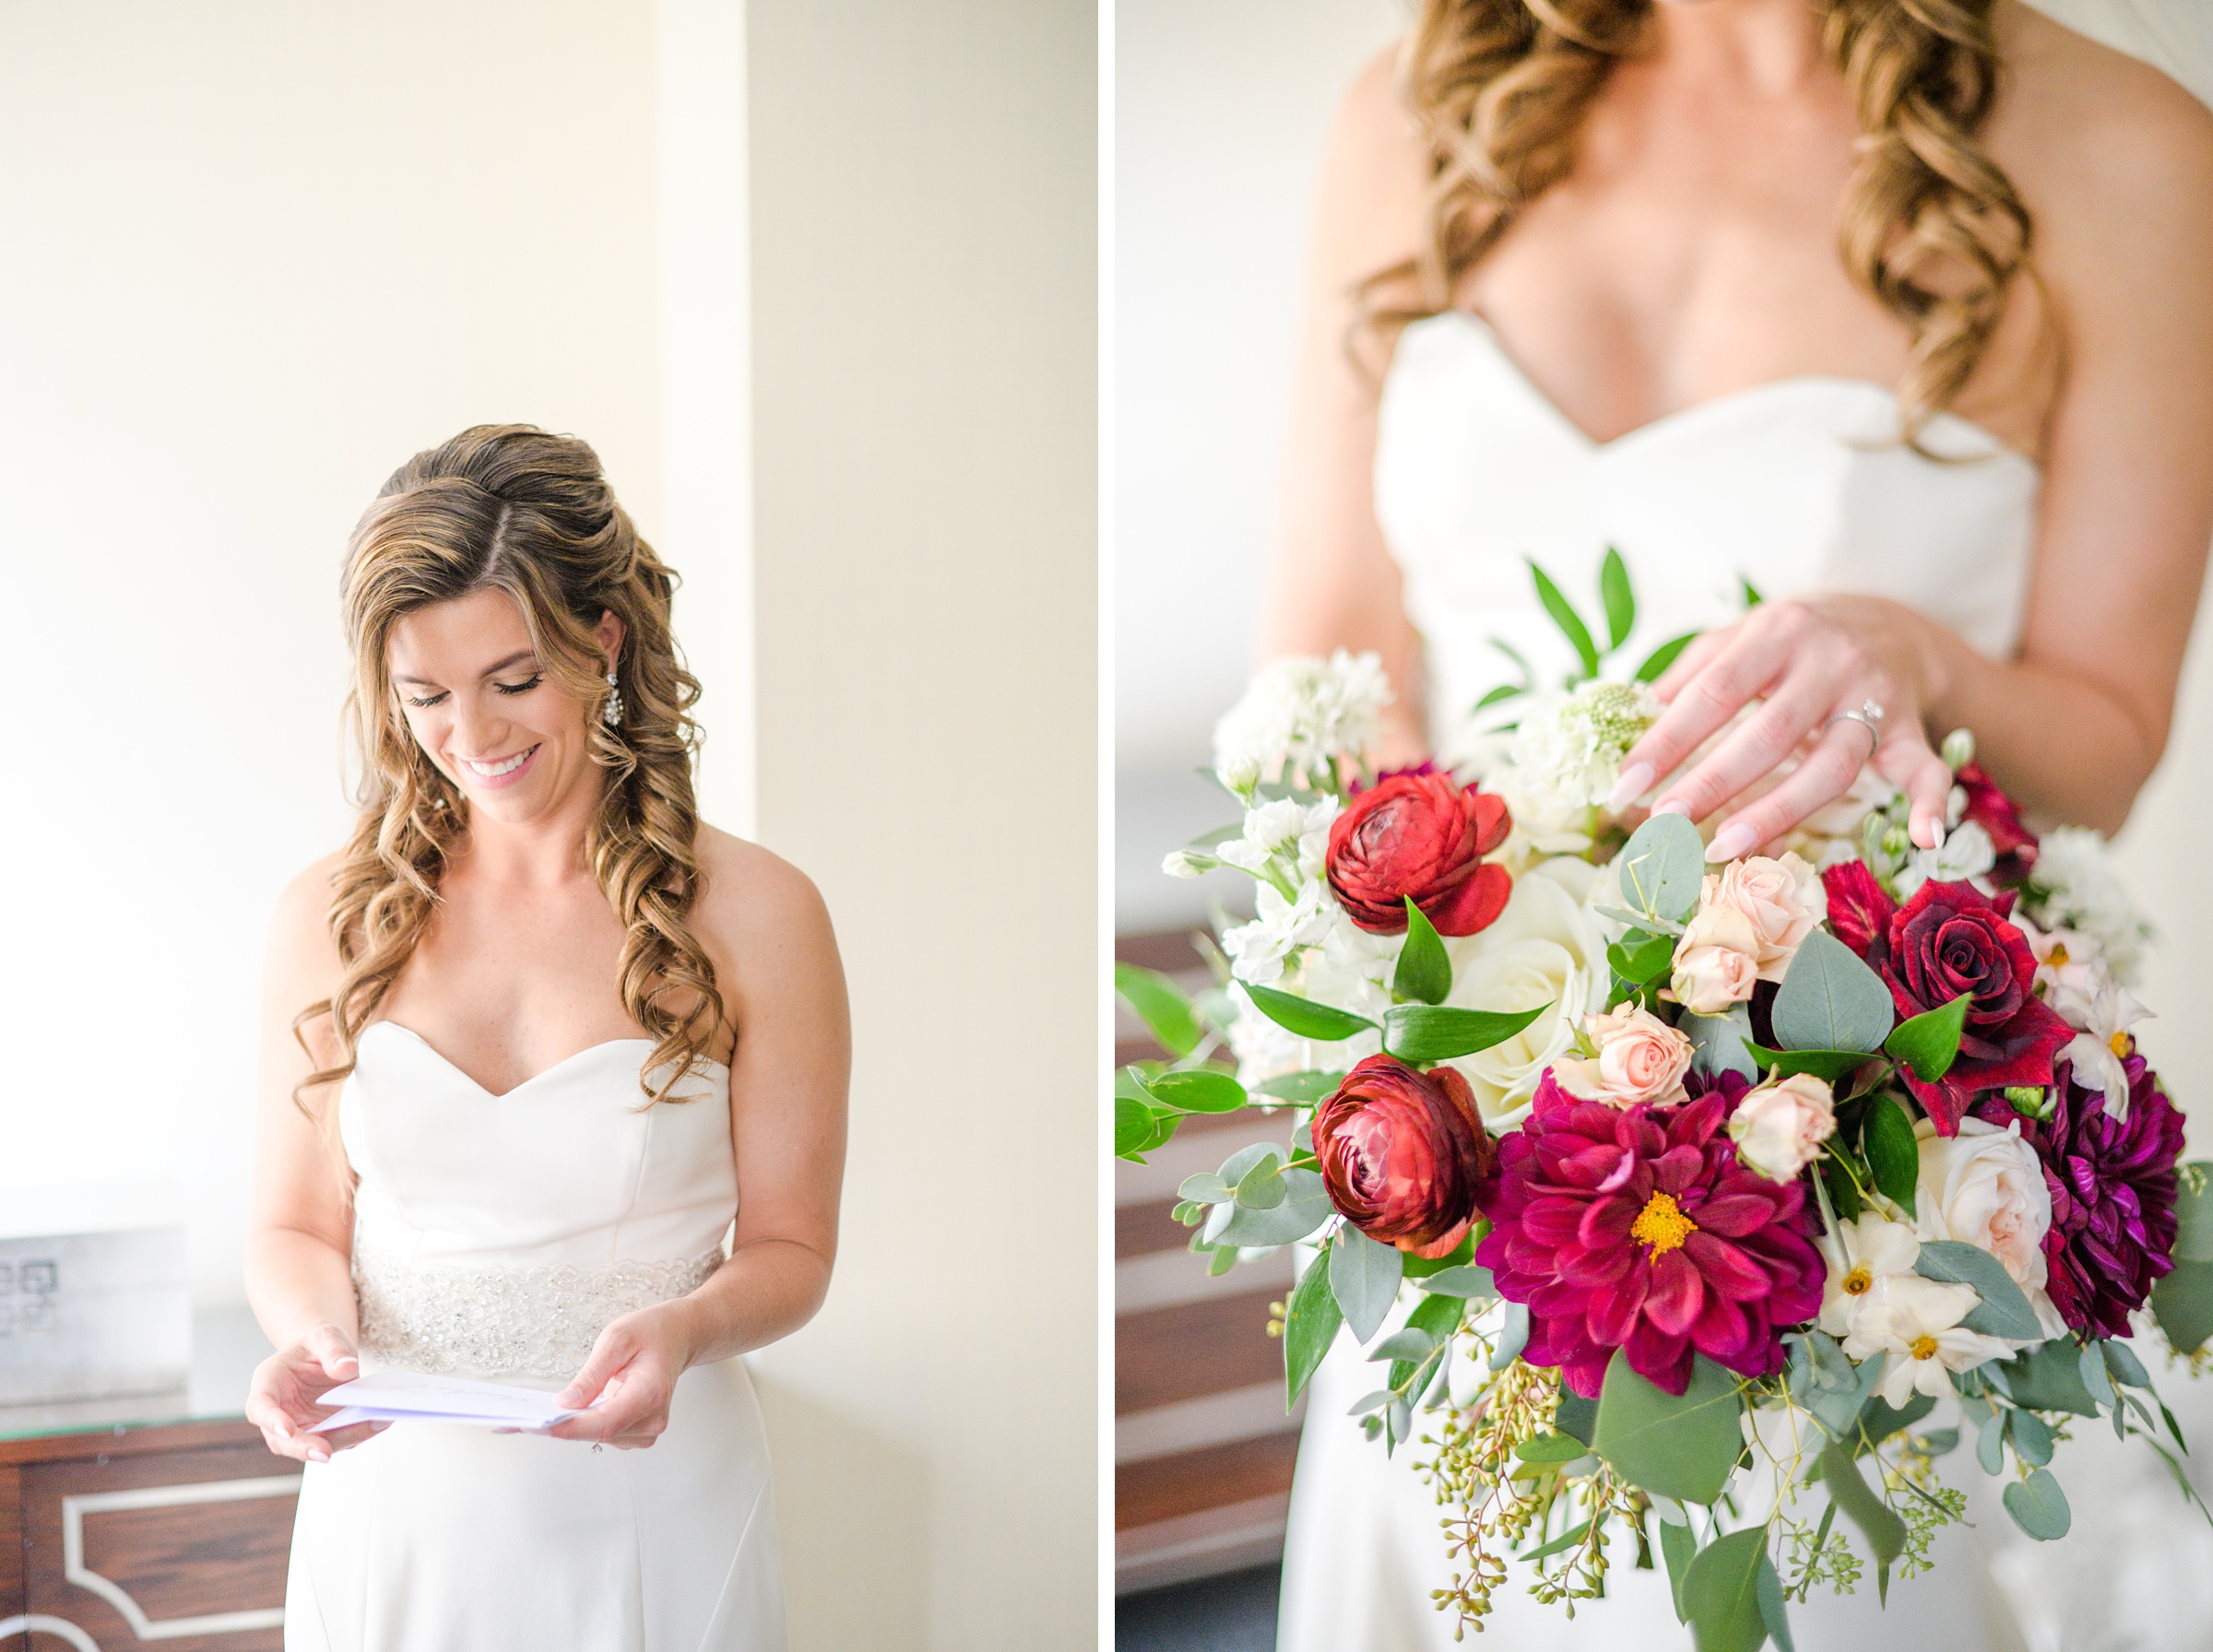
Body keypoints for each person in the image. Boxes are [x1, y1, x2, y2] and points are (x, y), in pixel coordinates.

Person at [1256, 1, 2213, 1646]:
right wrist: (1455, 1056)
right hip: (1495, 1160)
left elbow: (2111, 741)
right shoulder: (1418, 110)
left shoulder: (2126, 149)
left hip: (1877, 1197)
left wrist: (1913, 655)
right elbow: (1332, 653)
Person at [243, 425, 848, 1652]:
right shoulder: (329, 916)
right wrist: (313, 1340)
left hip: (649, 1493)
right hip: (398, 1507)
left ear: (603, 638)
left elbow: (791, 1248)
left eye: (513, 679)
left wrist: (682, 1332)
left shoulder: (759, 913)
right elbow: (295, 1223)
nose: (473, 737)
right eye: (425, 697)